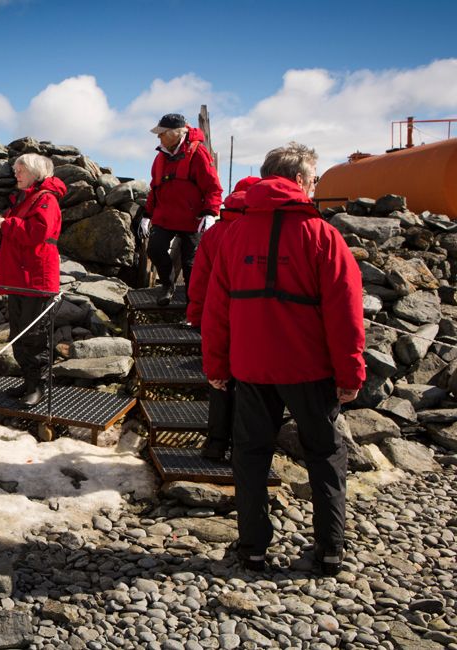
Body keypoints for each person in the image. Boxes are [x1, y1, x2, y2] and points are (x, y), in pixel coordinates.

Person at [201, 143, 365, 575]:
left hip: (251, 369)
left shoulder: (234, 234)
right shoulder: (323, 235)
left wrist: (216, 365)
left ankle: (252, 550)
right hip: (308, 369)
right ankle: (329, 551)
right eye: (313, 181)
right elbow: (346, 311)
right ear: (298, 181)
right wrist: (350, 373)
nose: (314, 187)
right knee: (325, 455)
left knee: (250, 456)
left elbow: (216, 309)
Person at [0, 154, 65, 406]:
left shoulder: (46, 199)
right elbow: (7, 237)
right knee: (19, 333)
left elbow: (37, 233)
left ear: (36, 173)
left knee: (33, 335)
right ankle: (29, 382)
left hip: (36, 278)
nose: (16, 174)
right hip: (19, 277)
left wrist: (4, 222)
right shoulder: (25, 200)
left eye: (21, 170)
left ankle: (38, 385)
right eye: (16, 170)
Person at [187, 176, 259, 461]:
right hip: (251, 320)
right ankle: (243, 448)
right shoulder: (261, 231)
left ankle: (216, 443)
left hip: (215, 316)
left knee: (219, 381)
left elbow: (199, 278)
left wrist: (195, 314)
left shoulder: (215, 232)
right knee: (250, 387)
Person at [140, 113, 223, 305]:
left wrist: (210, 213)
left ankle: (192, 304)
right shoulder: (160, 157)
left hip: (193, 219)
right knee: (155, 249)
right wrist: (147, 215)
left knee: (190, 264)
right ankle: (167, 286)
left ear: (175, 133)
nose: (158, 137)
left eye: (162, 133)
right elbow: (155, 188)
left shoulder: (199, 153)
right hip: (165, 217)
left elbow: (213, 188)